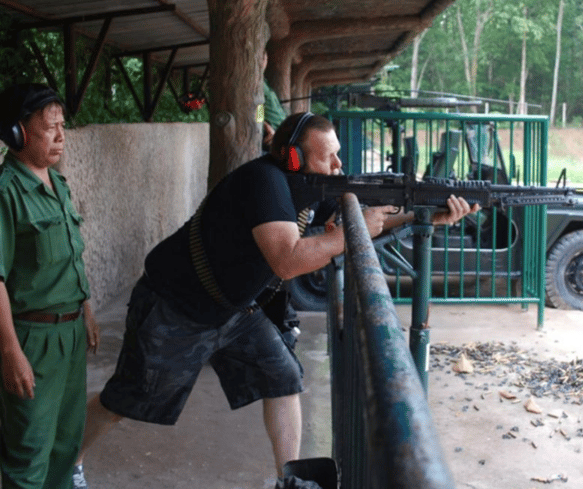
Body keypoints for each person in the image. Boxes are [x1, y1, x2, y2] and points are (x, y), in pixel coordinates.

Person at [74, 112, 479, 488]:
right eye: (330, 157)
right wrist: (342, 237)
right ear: (293, 157)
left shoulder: (300, 186)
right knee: (126, 398)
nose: (340, 167)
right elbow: (287, 261)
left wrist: (422, 216)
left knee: (283, 377)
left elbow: (360, 223)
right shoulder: (264, 181)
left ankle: (289, 481)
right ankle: (68, 464)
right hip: (176, 306)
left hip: (230, 308)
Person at [0, 83, 100, 489]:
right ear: (17, 133)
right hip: (32, 340)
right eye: (49, 127)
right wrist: (9, 351)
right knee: (29, 451)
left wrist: (88, 311)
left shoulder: (57, 185)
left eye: (62, 126)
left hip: (71, 334)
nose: (61, 136)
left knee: (65, 444)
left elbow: (72, 257)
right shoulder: (6, 191)